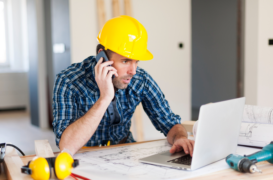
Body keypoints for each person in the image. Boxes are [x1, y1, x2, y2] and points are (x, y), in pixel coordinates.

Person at [52, 15, 194, 156]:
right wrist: (104, 98)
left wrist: (180, 138)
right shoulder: (69, 82)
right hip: (83, 156)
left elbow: (170, 123)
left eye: (136, 61)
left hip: (125, 153)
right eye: (125, 61)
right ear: (102, 57)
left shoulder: (140, 79)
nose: (133, 71)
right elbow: (66, 146)